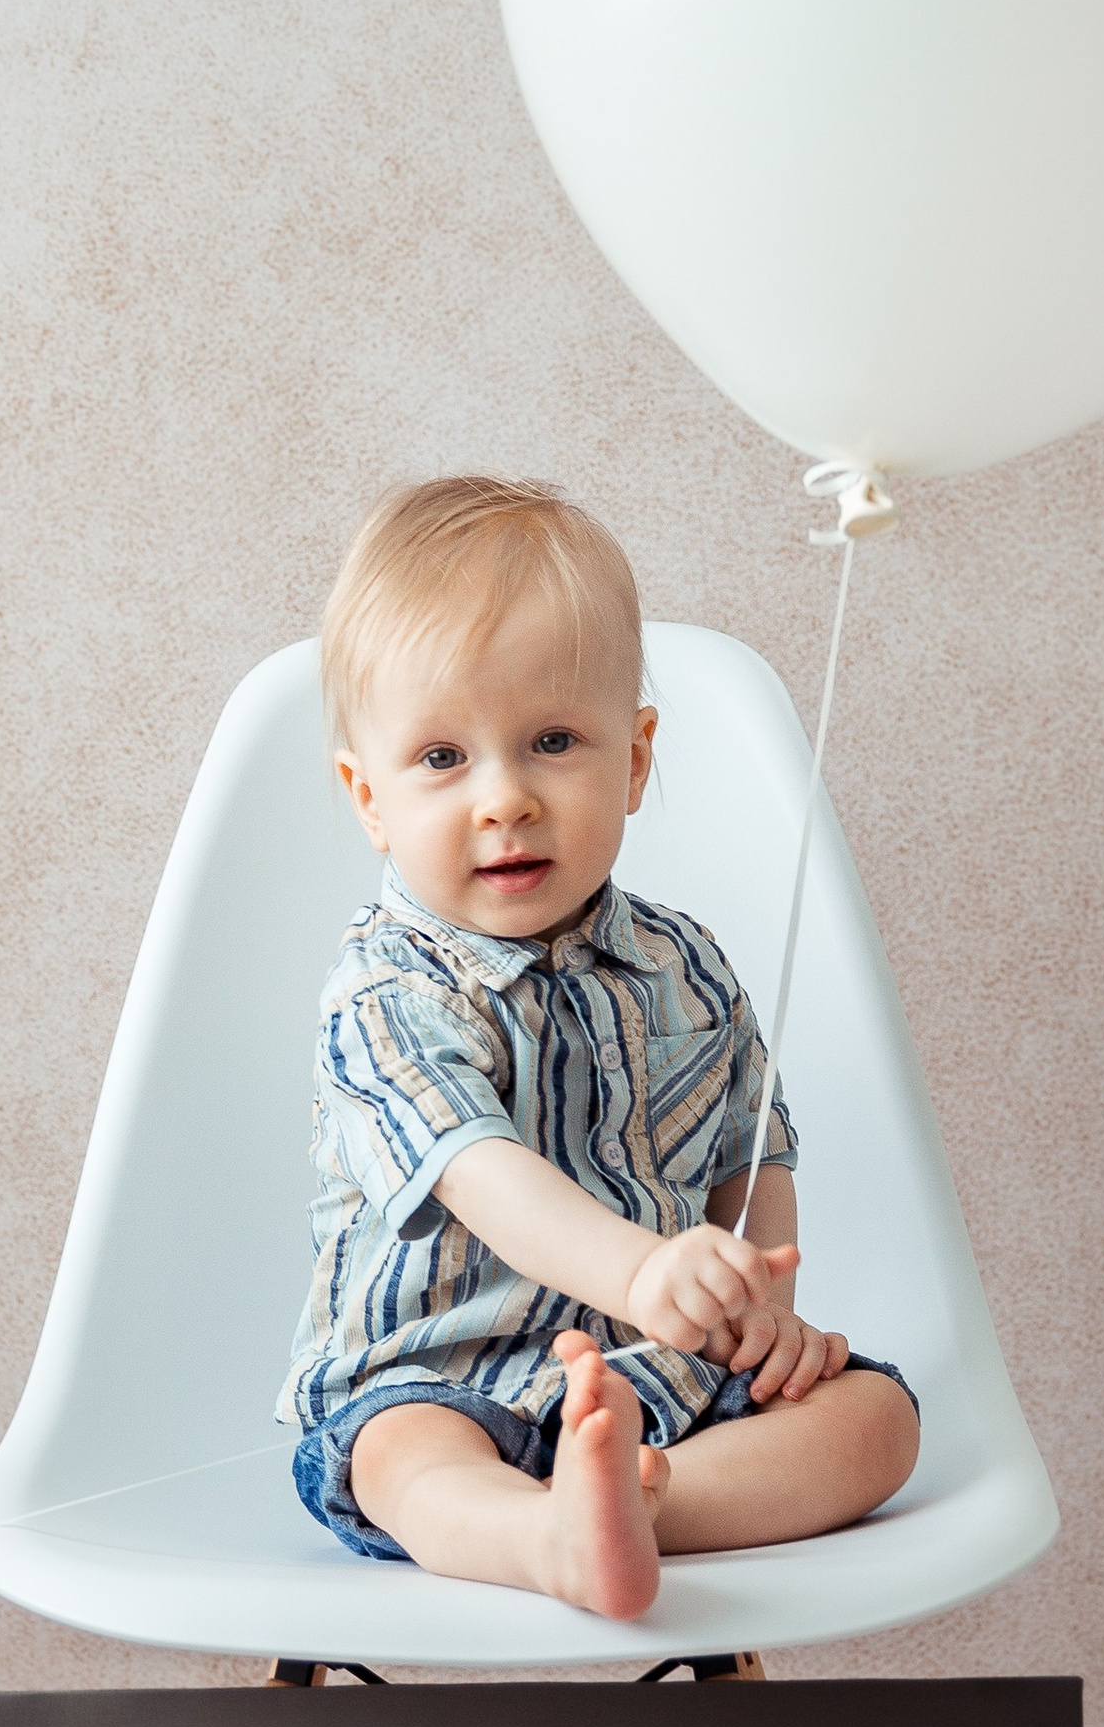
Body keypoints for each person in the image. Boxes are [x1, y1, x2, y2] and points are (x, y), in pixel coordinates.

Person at [283, 475, 919, 1618]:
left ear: (632, 761)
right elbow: (482, 1175)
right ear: (366, 796)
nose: (505, 800)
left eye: (551, 741)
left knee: (877, 1421)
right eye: (441, 759)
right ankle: (536, 1537)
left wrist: (764, 1299)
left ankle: (631, 1501)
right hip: (439, 1377)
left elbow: (753, 1143)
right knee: (400, 1464)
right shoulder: (382, 989)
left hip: (657, 1376)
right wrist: (642, 1270)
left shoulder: (684, 962)